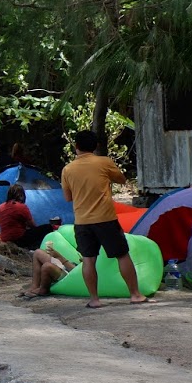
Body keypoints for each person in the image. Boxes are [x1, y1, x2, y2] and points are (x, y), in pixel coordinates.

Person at [61, 129, 148, 308]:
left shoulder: (67, 169)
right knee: (122, 255)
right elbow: (122, 180)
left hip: (82, 222)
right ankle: (135, 294)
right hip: (106, 219)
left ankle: (94, 299)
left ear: (76, 146)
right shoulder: (104, 162)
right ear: (96, 146)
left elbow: (68, 198)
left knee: (88, 259)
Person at [0, 184, 60, 250]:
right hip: (18, 239)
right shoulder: (21, 207)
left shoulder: (1, 207)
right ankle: (39, 248)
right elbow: (32, 225)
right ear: (21, 195)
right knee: (47, 227)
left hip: (5, 238)